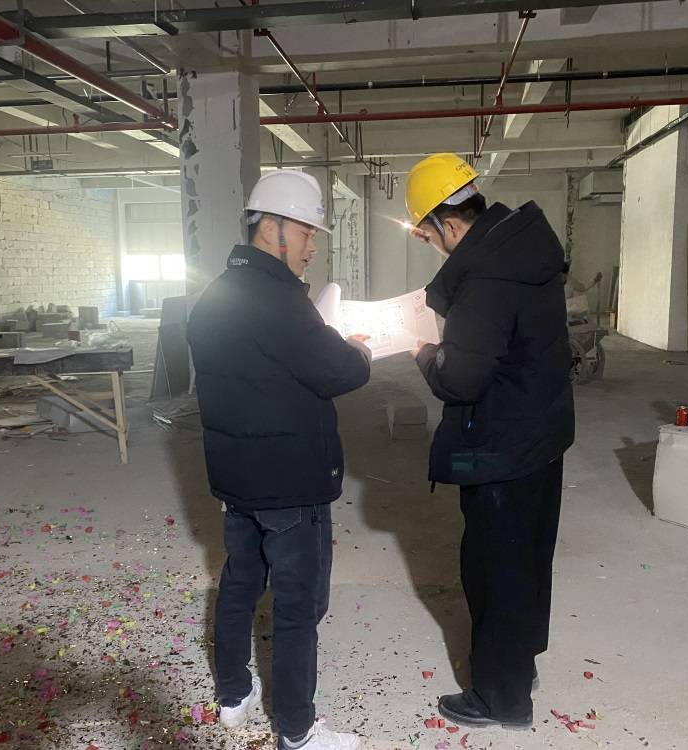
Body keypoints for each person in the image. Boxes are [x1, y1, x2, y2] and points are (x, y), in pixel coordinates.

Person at [187, 170, 371, 750]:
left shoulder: (215, 295)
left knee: (239, 584)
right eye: (307, 232)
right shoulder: (279, 300)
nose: (313, 245)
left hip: (236, 481)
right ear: (272, 227)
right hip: (291, 483)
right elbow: (336, 372)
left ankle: (233, 697)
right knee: (297, 607)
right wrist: (359, 350)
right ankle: (296, 730)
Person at [404, 153, 575, 730]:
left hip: (500, 447)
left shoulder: (486, 278)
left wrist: (422, 350)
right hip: (540, 436)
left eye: (430, 236)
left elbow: (460, 378)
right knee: (527, 561)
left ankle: (502, 700)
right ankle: (520, 668)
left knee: (493, 570)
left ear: (449, 225)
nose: (434, 246)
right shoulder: (523, 250)